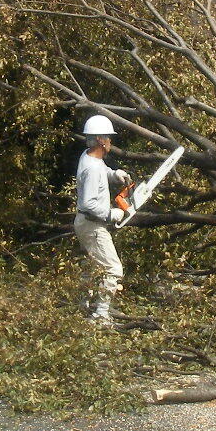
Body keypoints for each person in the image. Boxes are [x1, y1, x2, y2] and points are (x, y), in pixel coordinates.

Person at [74, 115, 133, 326]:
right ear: (100, 140)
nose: (110, 142)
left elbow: (100, 172)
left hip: (85, 222)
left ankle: (83, 306)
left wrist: (114, 174)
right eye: (108, 138)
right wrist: (111, 214)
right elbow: (89, 203)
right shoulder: (92, 169)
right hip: (92, 224)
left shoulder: (89, 157)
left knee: (94, 266)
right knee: (113, 269)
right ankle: (100, 314)